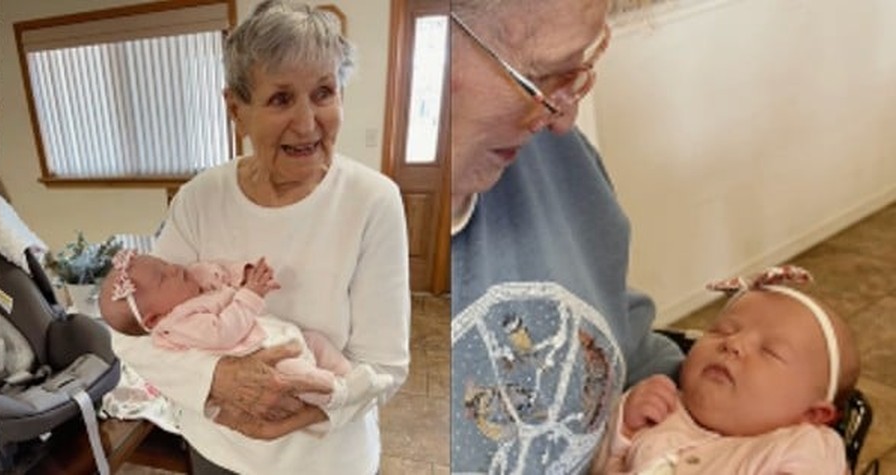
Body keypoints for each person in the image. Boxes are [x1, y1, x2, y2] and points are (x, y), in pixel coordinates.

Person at [109, 1, 410, 473]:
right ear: (237, 109)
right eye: (281, 99)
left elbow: (386, 367)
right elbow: (132, 335)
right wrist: (220, 378)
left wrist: (292, 413)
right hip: (219, 450)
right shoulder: (200, 197)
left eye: (325, 93)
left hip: (326, 460)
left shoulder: (372, 201)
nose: (308, 123)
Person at [450, 0, 683, 473]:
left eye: (578, 74)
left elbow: (625, 347)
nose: (562, 121)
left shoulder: (561, 164)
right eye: (545, 78)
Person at [607, 266, 860, 474]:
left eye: (770, 351)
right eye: (722, 331)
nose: (733, 343)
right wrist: (623, 429)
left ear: (813, 415)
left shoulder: (806, 447)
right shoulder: (662, 407)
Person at [99, 250, 394, 415]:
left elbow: (218, 271)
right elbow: (222, 333)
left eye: (165, 264)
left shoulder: (191, 281)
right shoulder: (178, 324)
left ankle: (352, 375)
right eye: (164, 276)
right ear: (155, 318)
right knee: (296, 375)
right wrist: (251, 294)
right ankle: (338, 395)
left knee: (316, 342)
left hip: (282, 334)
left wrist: (246, 273)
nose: (174, 268)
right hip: (262, 356)